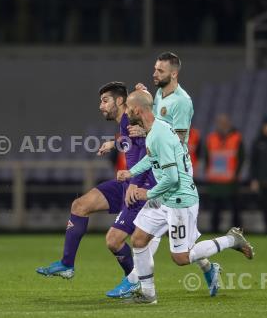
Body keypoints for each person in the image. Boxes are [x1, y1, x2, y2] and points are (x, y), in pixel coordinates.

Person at [118, 90, 254, 304]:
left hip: (180, 199)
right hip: (165, 197)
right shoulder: (156, 128)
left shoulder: (158, 134)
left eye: (127, 108)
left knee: (181, 258)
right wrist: (131, 172)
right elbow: (152, 159)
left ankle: (231, 239)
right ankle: (148, 294)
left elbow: (171, 178)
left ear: (137, 109)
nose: (125, 112)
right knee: (138, 239)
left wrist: (147, 193)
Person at [36, 81, 158, 298]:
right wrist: (114, 143)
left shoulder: (134, 120)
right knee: (80, 205)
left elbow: (149, 147)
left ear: (119, 101)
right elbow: (130, 142)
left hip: (142, 185)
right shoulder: (125, 123)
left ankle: (134, 280)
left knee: (114, 241)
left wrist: (134, 183)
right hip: (128, 182)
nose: (100, 106)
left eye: (105, 101)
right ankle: (67, 264)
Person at [123, 52, 220, 296]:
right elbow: (152, 120)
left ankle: (137, 281)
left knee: (179, 252)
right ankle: (141, 286)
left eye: (160, 71)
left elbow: (178, 139)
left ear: (173, 74)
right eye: (155, 69)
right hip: (161, 167)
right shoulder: (158, 93)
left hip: (175, 173)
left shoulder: (182, 101)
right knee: (144, 236)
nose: (155, 74)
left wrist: (146, 134)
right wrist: (143, 100)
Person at [204, 113, 244, 233]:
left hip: (231, 181)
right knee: (215, 210)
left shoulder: (237, 137)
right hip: (215, 181)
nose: (222, 124)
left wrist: (236, 174)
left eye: (224, 122)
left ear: (229, 123)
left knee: (235, 209)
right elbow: (207, 157)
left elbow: (241, 158)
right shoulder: (211, 138)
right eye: (220, 122)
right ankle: (214, 231)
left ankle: (237, 232)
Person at [250, 116, 267, 234]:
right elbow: (253, 163)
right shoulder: (257, 143)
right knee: (265, 207)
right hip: (264, 182)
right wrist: (254, 179)